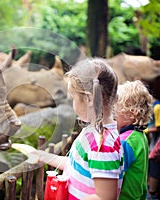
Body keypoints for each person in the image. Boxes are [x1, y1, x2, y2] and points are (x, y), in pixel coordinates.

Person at [32, 58, 123, 199]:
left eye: (73, 98)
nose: (72, 104)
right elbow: (75, 165)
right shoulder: (92, 132)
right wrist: (45, 156)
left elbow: (105, 197)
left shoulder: (103, 146)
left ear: (89, 99)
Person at [115, 80, 152, 200]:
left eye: (115, 110)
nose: (112, 115)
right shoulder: (140, 136)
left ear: (132, 113)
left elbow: (112, 171)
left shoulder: (125, 141)